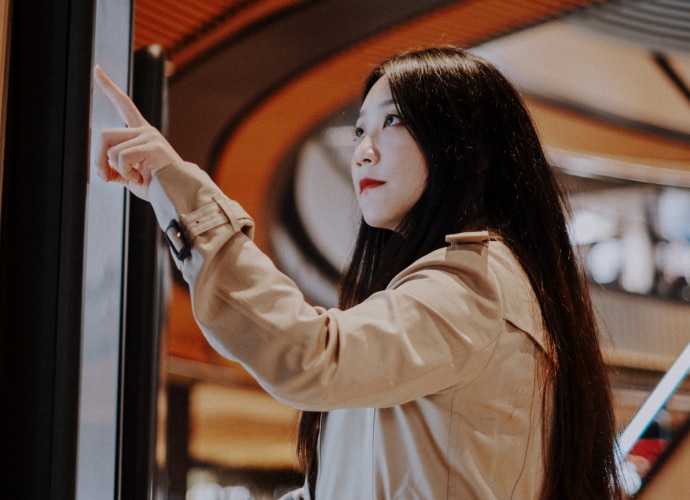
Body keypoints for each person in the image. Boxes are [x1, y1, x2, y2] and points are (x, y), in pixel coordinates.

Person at [94, 46, 623, 499]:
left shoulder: (475, 286)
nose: (362, 153)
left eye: (392, 121)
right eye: (359, 130)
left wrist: (184, 196)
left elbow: (306, 354)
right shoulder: (464, 287)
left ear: (468, 148)